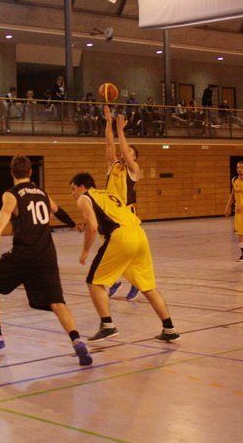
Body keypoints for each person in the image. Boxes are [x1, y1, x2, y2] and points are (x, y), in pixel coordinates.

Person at [0, 155, 92, 366]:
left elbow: (5, 212)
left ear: (12, 172)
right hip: (46, 255)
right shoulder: (42, 194)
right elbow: (57, 211)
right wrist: (73, 224)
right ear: (30, 172)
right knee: (57, 302)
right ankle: (77, 341)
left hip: (23, 254)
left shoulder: (12, 194)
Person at [70, 172, 180, 343]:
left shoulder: (84, 198)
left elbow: (92, 227)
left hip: (121, 237)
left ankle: (107, 326)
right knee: (148, 286)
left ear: (82, 187)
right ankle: (169, 328)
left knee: (94, 282)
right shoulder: (107, 194)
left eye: (73, 189)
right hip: (140, 234)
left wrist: (85, 251)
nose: (72, 193)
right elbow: (108, 215)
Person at [102, 107, 141, 301]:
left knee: (128, 251)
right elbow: (110, 145)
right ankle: (115, 281)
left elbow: (123, 149)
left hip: (126, 214)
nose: (126, 152)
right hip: (110, 214)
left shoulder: (134, 169)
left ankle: (136, 282)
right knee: (109, 251)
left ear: (134, 157)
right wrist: (109, 122)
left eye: (130, 152)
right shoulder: (114, 165)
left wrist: (120, 130)